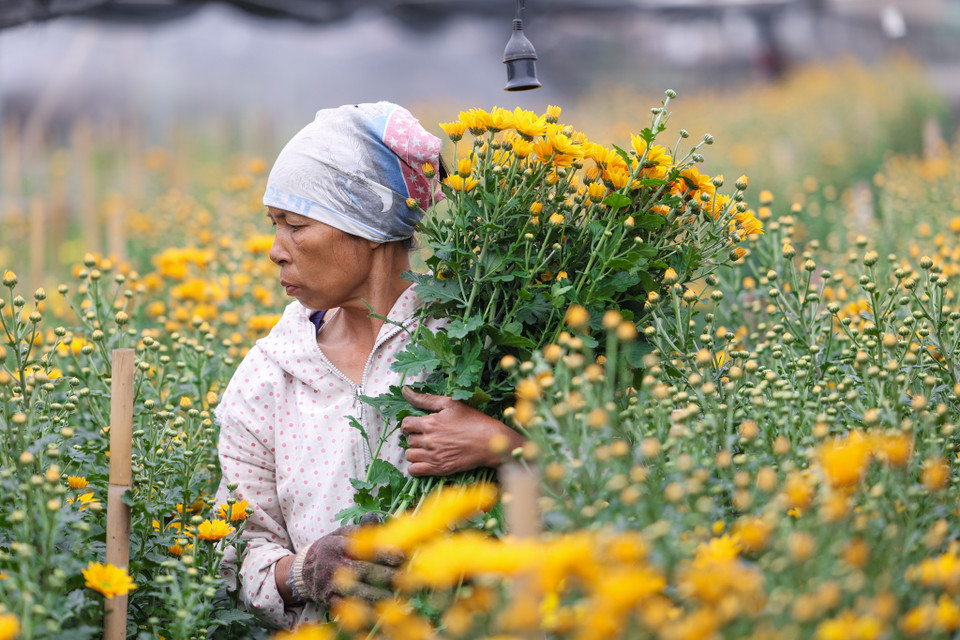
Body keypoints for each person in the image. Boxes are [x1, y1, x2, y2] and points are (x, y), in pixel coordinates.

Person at [213, 102, 524, 629]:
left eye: (295, 225)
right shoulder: (271, 373)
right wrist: (305, 572)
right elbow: (233, 554)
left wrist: (506, 446)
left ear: (367, 224)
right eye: (274, 225)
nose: (275, 250)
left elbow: (591, 501)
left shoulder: (477, 342)